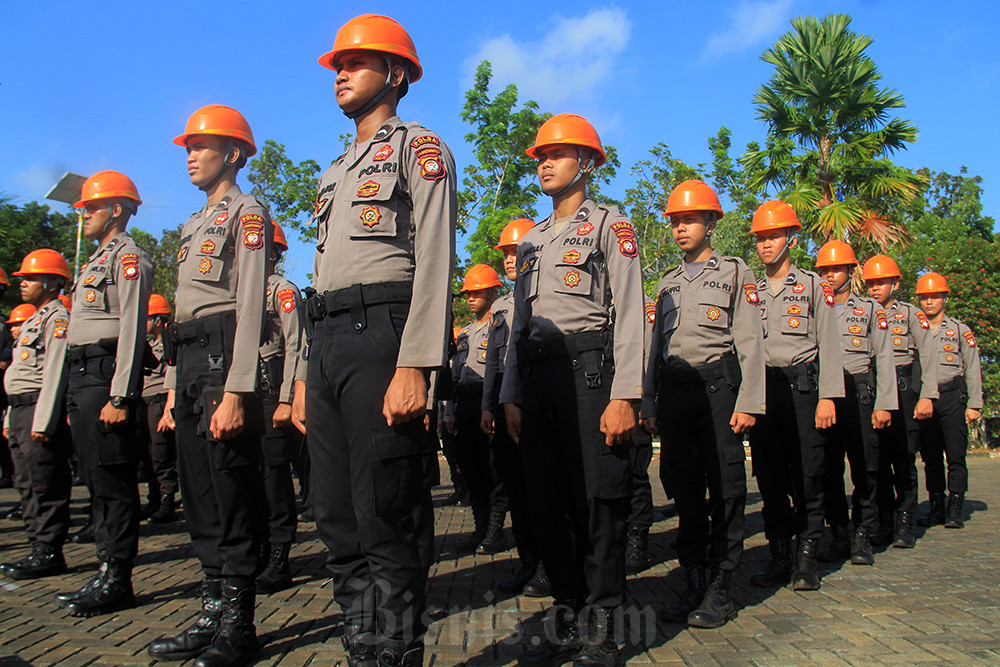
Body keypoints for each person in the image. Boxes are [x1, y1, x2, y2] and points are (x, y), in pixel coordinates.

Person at [295, 14, 456, 666]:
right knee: (334, 514)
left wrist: (416, 364)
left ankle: (396, 650)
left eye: (355, 62)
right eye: (337, 63)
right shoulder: (334, 172)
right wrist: (307, 371)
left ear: (395, 74)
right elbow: (318, 275)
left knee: (387, 509)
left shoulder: (420, 149)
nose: (339, 72)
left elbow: (437, 258)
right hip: (329, 338)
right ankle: (365, 643)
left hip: (384, 336)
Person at [500, 113, 644, 665]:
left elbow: (631, 312)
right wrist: (511, 393)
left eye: (557, 155)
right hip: (536, 380)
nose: (545, 163)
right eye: (540, 155)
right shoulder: (532, 240)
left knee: (596, 500)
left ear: (586, 163)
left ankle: (604, 622)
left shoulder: (611, 226)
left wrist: (625, 394)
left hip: (588, 375)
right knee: (547, 501)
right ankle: (568, 609)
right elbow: (516, 324)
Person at [147, 104, 270, 667]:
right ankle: (210, 612)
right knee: (198, 494)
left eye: (203, 145)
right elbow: (176, 321)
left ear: (234, 153)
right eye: (188, 146)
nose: (191, 155)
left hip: (225, 359)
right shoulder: (193, 224)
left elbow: (249, 305)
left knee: (231, 491)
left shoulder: (248, 213)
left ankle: (240, 626)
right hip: (190, 358)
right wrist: (173, 390)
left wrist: (239, 388)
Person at [643, 180, 765, 628]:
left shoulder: (735, 272)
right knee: (685, 489)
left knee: (727, 488)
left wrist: (749, 401)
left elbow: (751, 341)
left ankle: (721, 586)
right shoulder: (668, 282)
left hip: (719, 393)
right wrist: (648, 401)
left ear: (711, 222)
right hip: (675, 395)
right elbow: (655, 347)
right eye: (675, 221)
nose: (680, 229)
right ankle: (693, 578)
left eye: (689, 219)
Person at [53, 171, 152, 617]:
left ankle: (117, 576)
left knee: (113, 480)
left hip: (105, 373)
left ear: (116, 209)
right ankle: (104, 567)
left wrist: (121, 396)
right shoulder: (94, 260)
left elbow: (132, 326)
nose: (84, 214)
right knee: (95, 478)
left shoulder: (128, 257)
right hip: (82, 374)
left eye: (91, 207)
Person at [749, 200, 843, 592]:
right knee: (769, 478)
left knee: (807, 474)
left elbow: (832, 344)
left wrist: (828, 397)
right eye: (760, 238)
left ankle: (806, 560)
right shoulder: (749, 290)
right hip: (763, 392)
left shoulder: (813, 288)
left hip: (804, 389)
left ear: (792, 238)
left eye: (773, 236)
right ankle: (779, 556)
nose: (766, 244)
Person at [813, 241, 896, 566]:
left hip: (860, 394)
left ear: (851, 270)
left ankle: (863, 534)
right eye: (824, 270)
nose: (830, 275)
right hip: (824, 396)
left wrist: (884, 403)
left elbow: (885, 357)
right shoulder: (814, 304)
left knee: (866, 467)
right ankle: (839, 534)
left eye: (836, 269)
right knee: (828, 468)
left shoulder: (871, 310)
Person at [480, 218, 549, 596]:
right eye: (506, 253)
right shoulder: (502, 308)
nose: (510, 259)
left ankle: (548, 565)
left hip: (537, 398)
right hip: (507, 406)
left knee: (542, 487)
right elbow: (493, 361)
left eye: (515, 251)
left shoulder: (540, 299)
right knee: (516, 491)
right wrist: (489, 406)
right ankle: (528, 562)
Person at [0, 250, 72, 580]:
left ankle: (48, 550)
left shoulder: (56, 319)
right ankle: (35, 545)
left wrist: (43, 420)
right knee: (25, 482)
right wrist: (8, 417)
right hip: (19, 409)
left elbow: (54, 372)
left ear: (52, 282)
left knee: (44, 482)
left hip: (36, 410)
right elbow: (17, 370)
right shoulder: (31, 319)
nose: (23, 284)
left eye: (30, 278)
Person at [862, 255, 936, 547]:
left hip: (905, 388)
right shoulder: (864, 311)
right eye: (870, 284)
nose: (875, 289)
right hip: (874, 387)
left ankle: (905, 522)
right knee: (876, 459)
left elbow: (928, 356)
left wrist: (927, 396)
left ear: (895, 282)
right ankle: (884, 521)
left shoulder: (911, 314)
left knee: (903, 458)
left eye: (880, 282)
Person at [256, 221, 306, 594]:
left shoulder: (282, 291)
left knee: (275, 476)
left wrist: (287, 397)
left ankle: (279, 554)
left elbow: (295, 344)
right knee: (251, 474)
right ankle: (257, 548)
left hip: (273, 390)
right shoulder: (237, 292)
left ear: (274, 252)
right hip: (244, 394)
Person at [444, 264, 507, 554]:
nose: (470, 298)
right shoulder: (466, 333)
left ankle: (495, 530)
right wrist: (450, 411)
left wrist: (493, 408)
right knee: (471, 469)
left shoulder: (501, 322)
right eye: (468, 293)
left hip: (489, 399)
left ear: (494, 291)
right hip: (465, 402)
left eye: (477, 293)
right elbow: (456, 374)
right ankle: (481, 527)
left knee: (494, 469)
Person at [914, 272, 982, 529]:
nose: (929, 302)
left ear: (944, 298)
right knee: (930, 456)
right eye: (924, 298)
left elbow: (973, 366)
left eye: (934, 297)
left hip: (952, 396)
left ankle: (955, 507)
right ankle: (936, 505)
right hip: (925, 400)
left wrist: (975, 404)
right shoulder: (914, 328)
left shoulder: (959, 330)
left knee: (955, 455)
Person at [143, 294, 178, 523]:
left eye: (146, 318)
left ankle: (167, 501)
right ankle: (154, 498)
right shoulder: (148, 343)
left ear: (157, 319)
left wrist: (168, 407)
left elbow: (171, 372)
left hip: (160, 400)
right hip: (146, 403)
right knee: (148, 455)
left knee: (162, 454)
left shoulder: (167, 340)